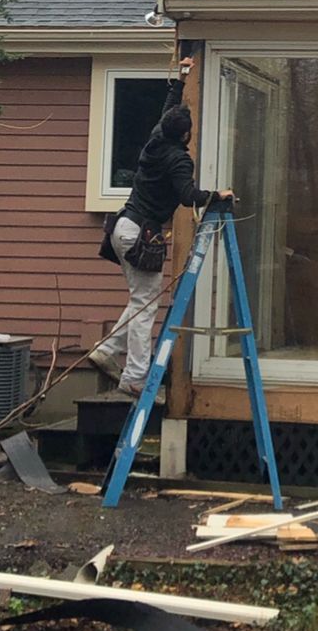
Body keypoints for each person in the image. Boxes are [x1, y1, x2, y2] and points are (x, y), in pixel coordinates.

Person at [91, 61, 232, 396]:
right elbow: (188, 197)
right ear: (185, 134)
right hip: (140, 232)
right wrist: (217, 195)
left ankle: (107, 350)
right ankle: (134, 377)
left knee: (141, 299)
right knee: (145, 307)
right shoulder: (178, 159)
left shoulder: (156, 139)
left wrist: (182, 77)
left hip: (122, 226)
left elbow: (168, 108)